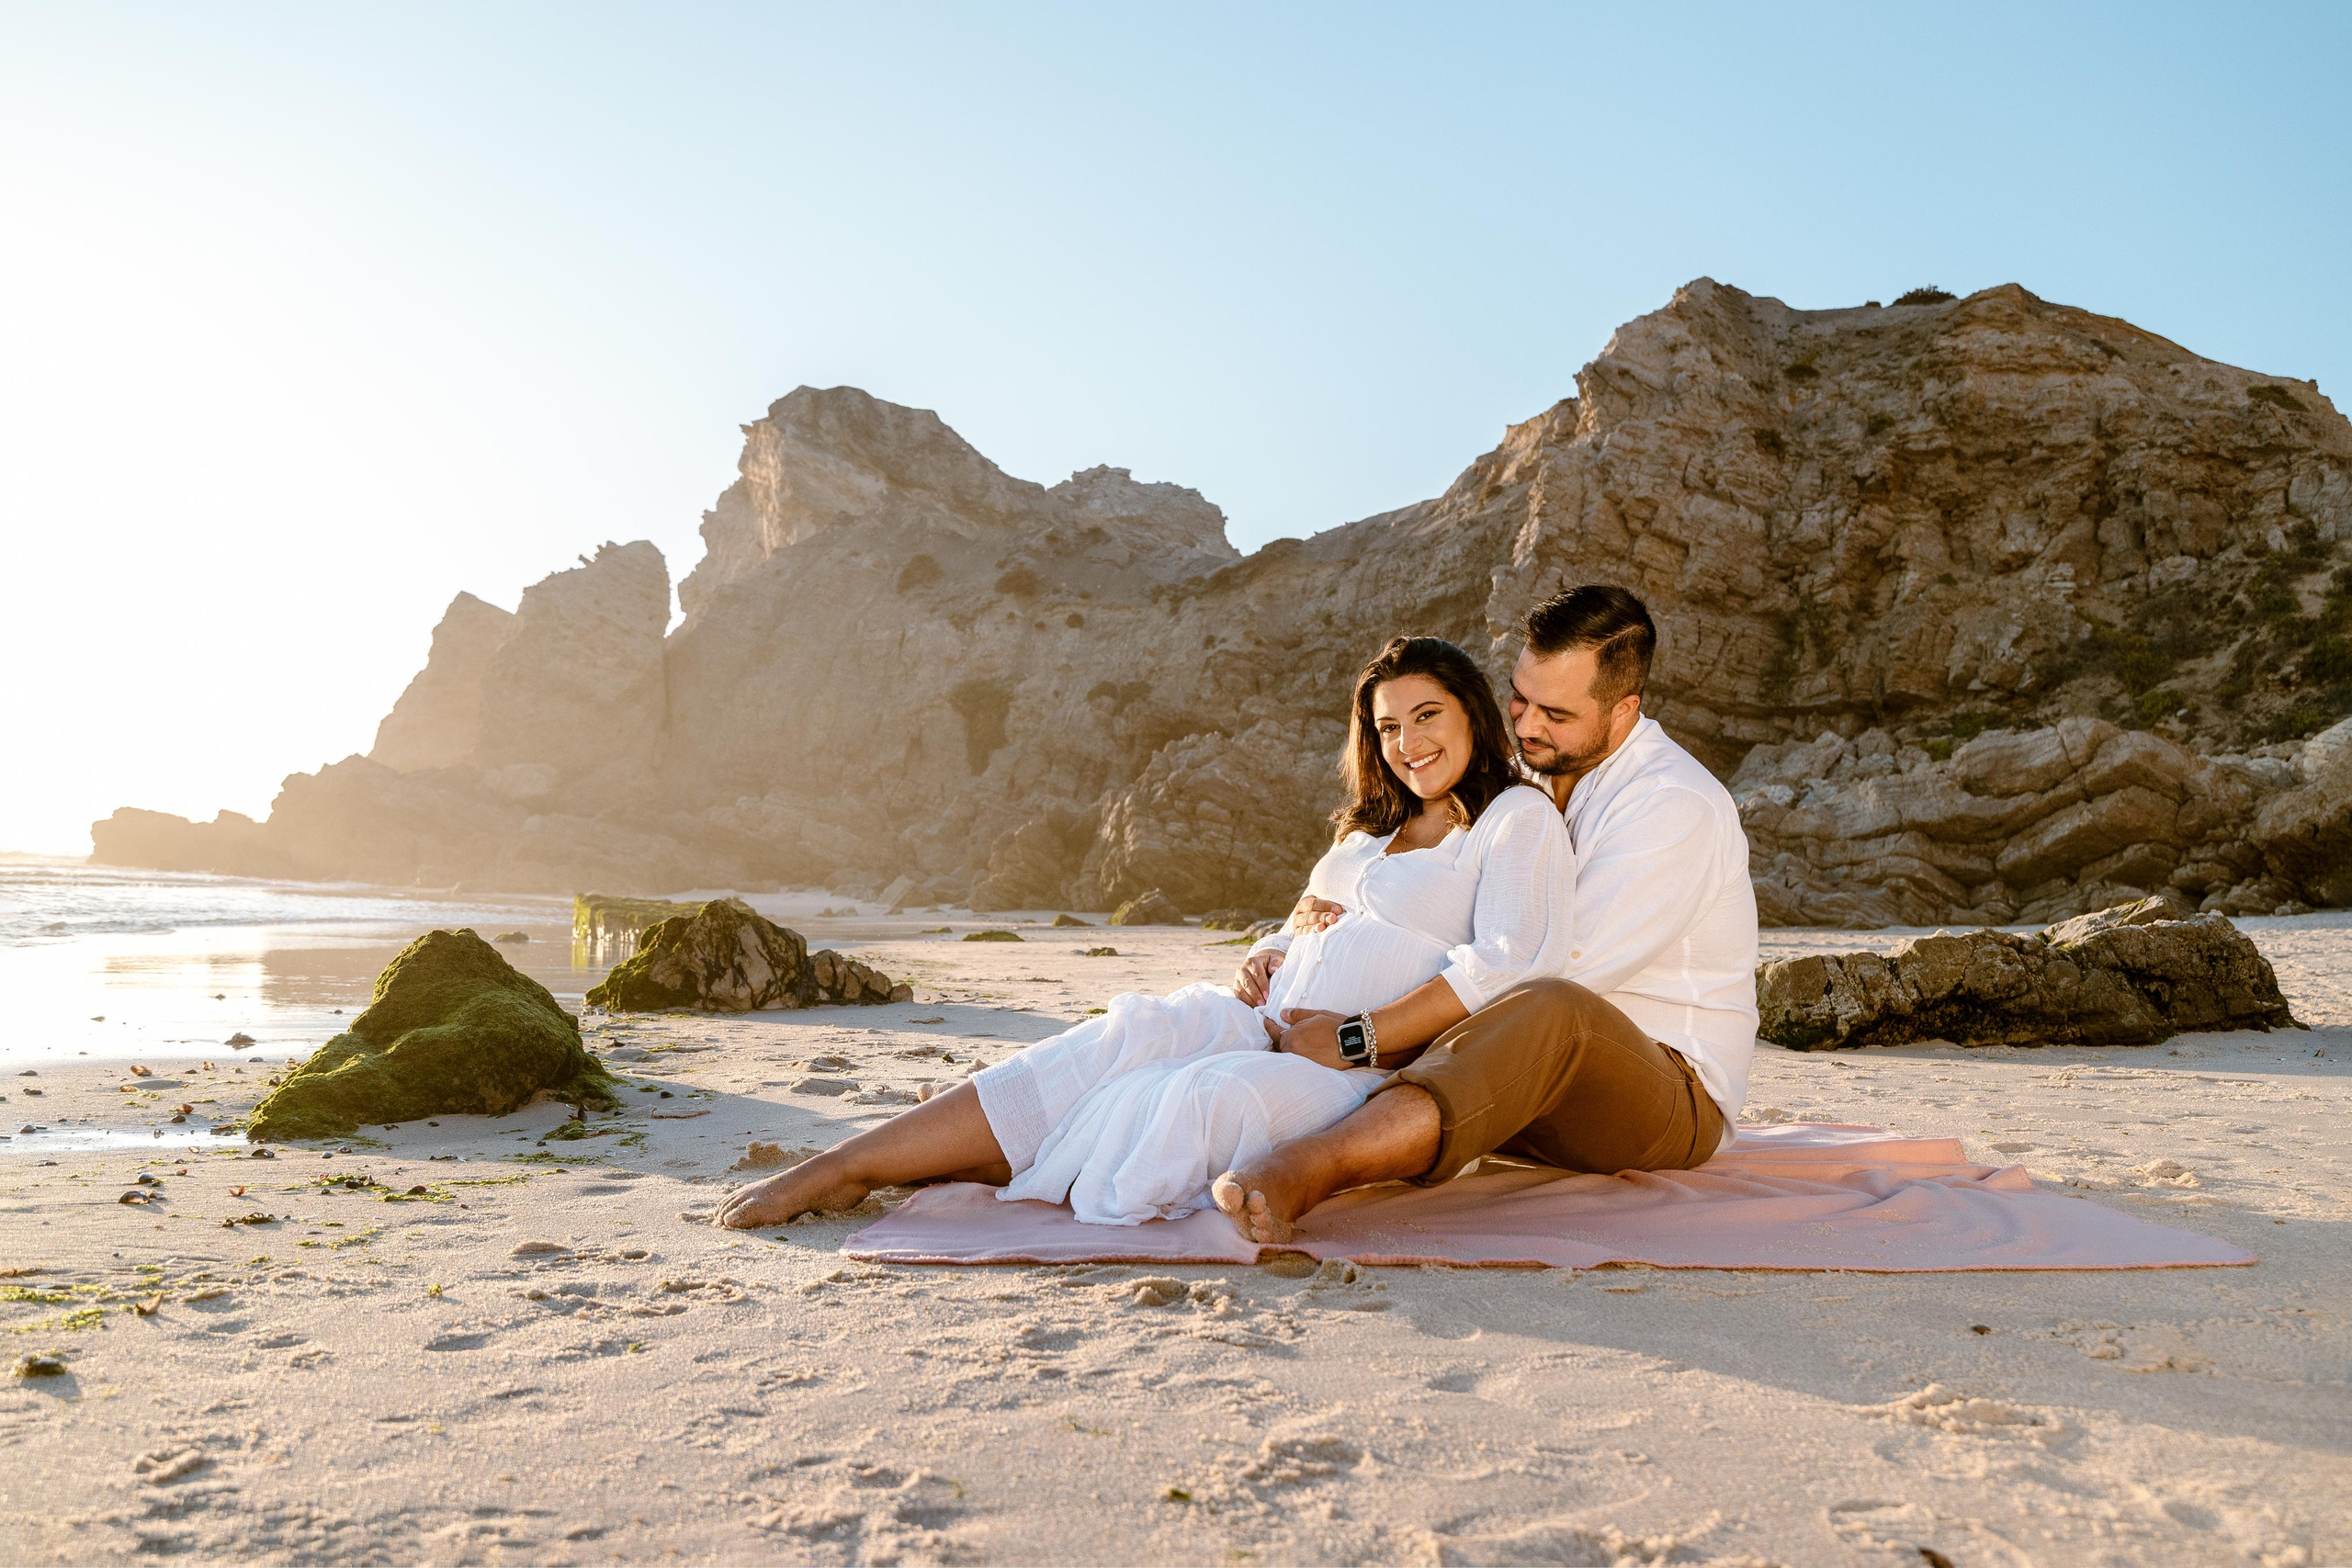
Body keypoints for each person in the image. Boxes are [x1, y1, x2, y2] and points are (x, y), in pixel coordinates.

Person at [714, 635, 1571, 1228]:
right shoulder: (1365, 837)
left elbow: (1504, 966)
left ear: (1471, 713)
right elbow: (1292, 925)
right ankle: (846, 1164)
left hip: (1361, 1068)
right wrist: (1269, 956)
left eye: (1426, 715)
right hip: (1263, 1019)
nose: (1407, 742)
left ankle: (914, 1167)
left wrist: (1349, 1036)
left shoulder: (1512, 817)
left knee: (1200, 1100)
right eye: (1388, 727)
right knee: (1120, 1038)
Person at [1210, 584, 1759, 1244]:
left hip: (1663, 1092)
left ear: (1623, 712)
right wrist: (1305, 931)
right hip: (1505, 1077)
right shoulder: (1520, 780)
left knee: (1550, 1004)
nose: (1527, 725)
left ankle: (1315, 1166)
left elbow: (1545, 971)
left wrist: (1364, 1035)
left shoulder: (1674, 804)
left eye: (1555, 712)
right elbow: (1421, 891)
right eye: (1520, 697)